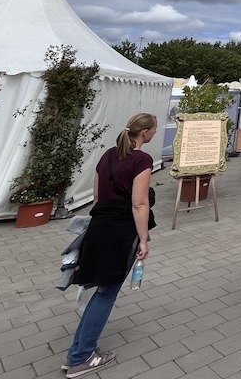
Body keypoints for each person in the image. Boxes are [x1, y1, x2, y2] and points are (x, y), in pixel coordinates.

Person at [64, 113, 158, 378]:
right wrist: (142, 239)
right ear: (145, 133)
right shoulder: (142, 160)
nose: (153, 134)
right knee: (106, 294)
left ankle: (76, 353)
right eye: (153, 130)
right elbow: (139, 203)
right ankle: (82, 357)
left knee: (101, 290)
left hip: (99, 227)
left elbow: (96, 195)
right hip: (121, 231)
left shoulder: (108, 155)